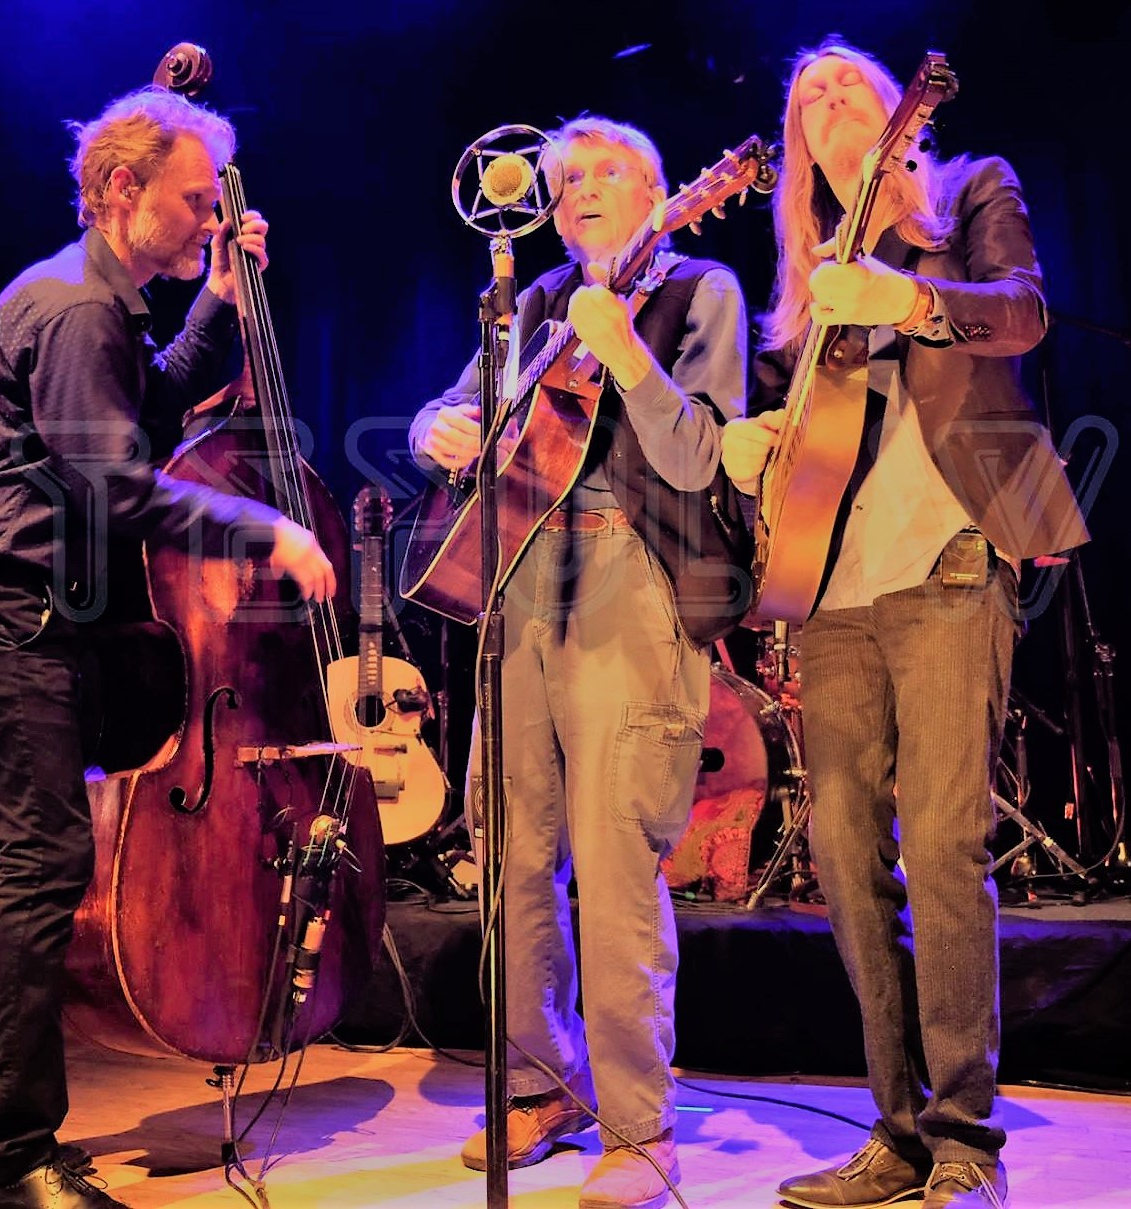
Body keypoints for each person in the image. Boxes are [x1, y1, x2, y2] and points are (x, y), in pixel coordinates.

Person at [0, 86, 336, 1209]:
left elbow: (148, 404)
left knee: (5, 868)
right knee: (43, 865)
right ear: (119, 189)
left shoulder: (101, 300)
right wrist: (264, 525)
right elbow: (118, 485)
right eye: (195, 201)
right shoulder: (76, 309)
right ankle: (10, 1160)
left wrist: (223, 303)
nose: (210, 221)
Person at [720, 38, 1089, 1209]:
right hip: (828, 593)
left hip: (945, 561)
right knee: (839, 857)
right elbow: (815, 446)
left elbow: (1023, 315)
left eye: (844, 86)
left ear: (893, 114)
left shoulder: (967, 188)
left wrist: (909, 297)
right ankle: (895, 1130)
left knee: (939, 847)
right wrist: (754, 445)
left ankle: (966, 1138)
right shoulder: (809, 276)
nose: (824, 102)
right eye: (803, 99)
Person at [409, 115, 753, 1209]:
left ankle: (640, 1130)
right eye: (563, 182)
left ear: (665, 193)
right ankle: (535, 1085)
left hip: (627, 581)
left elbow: (701, 452)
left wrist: (627, 351)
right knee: (509, 856)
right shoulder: (534, 302)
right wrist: (435, 431)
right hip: (516, 584)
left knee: (610, 873)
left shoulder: (699, 289)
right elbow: (456, 406)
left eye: (607, 174)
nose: (579, 192)